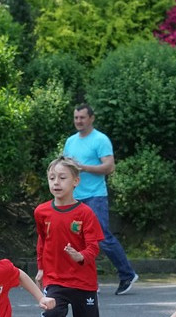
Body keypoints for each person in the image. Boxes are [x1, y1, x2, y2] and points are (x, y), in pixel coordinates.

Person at [34, 157, 107, 317]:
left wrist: (80, 256)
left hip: (84, 283)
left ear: (76, 181)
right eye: (52, 178)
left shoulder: (85, 213)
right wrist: (41, 268)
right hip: (55, 280)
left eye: (62, 178)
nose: (56, 182)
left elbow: (94, 246)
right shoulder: (41, 212)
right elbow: (43, 242)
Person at [62, 104, 139, 296]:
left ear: (91, 118)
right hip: (75, 197)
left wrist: (83, 167)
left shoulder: (100, 140)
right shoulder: (70, 141)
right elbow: (66, 166)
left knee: (101, 237)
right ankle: (86, 281)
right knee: (77, 240)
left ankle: (127, 274)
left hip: (95, 196)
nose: (78, 121)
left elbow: (109, 167)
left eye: (82, 117)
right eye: (76, 118)